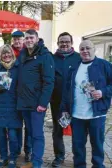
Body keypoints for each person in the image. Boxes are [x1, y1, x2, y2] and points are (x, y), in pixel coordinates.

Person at [61, 40, 112, 168]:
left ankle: (98, 165)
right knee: (77, 145)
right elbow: (67, 90)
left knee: (97, 145)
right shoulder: (74, 67)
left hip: (97, 114)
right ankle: (79, 165)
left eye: (88, 48)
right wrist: (64, 109)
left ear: (94, 50)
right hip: (77, 115)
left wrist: (102, 91)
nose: (85, 51)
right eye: (82, 49)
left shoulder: (104, 65)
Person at [17, 29, 55, 168]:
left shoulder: (45, 56)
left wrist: (43, 103)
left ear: (37, 39)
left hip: (37, 104)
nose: (29, 40)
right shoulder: (22, 54)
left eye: (31, 38)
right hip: (24, 102)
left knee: (37, 134)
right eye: (26, 38)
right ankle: (32, 160)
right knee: (30, 132)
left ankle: (37, 163)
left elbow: (49, 81)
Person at [50, 32, 81, 167]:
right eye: (61, 41)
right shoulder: (51, 58)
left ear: (71, 43)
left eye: (67, 41)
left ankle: (78, 158)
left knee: (77, 131)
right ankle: (59, 157)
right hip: (56, 101)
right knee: (57, 130)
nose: (64, 44)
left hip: (75, 102)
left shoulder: (79, 58)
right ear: (58, 43)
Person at [12, 30, 31, 162]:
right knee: (17, 124)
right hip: (14, 95)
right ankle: (17, 148)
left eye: (19, 39)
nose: (17, 41)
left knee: (29, 126)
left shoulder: (28, 52)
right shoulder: (9, 51)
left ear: (23, 40)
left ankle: (28, 150)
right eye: (15, 39)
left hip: (28, 94)